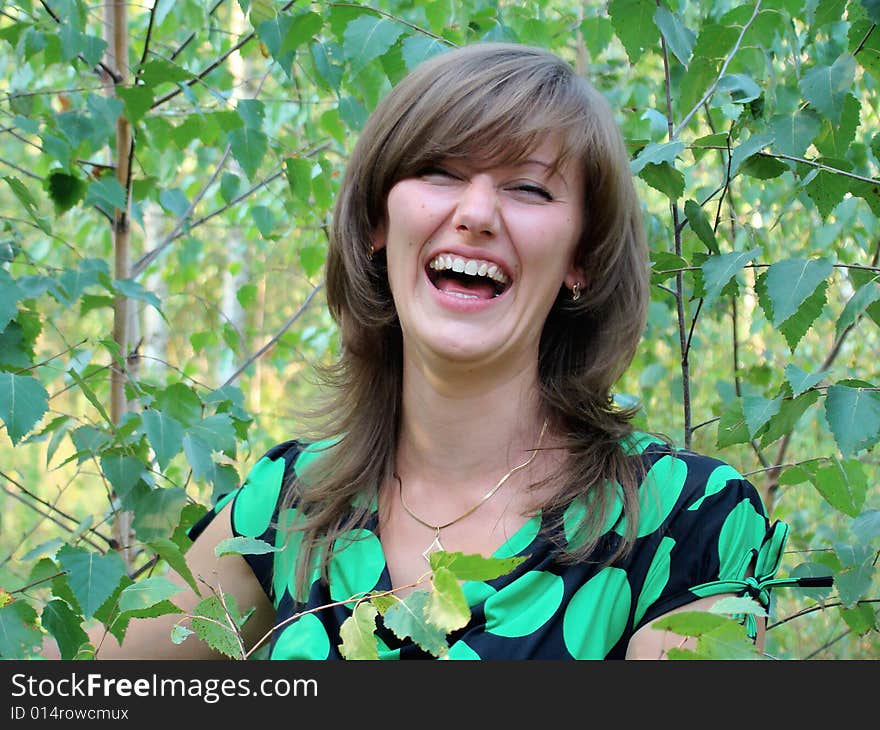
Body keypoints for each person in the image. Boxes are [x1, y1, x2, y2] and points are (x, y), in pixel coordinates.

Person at [84, 41, 799, 660]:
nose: (477, 215)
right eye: (440, 174)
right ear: (376, 222)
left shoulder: (689, 523)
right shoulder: (292, 505)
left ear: (580, 257)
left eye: (527, 188)